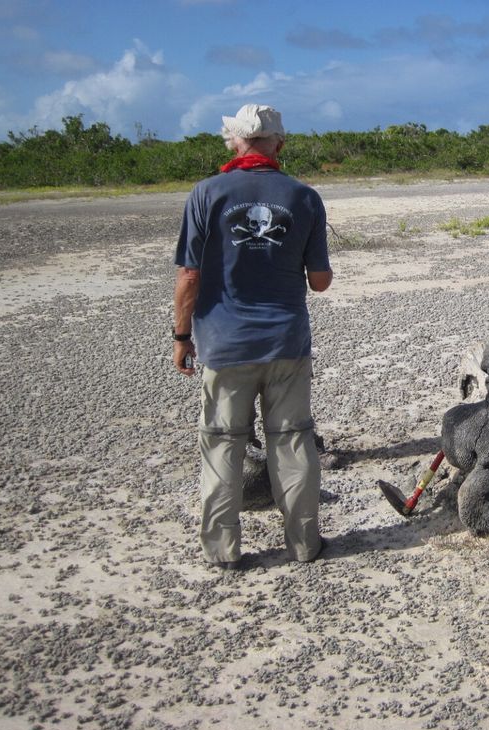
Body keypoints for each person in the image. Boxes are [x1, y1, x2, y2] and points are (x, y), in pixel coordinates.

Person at [173, 103, 332, 569]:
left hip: (224, 344)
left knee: (223, 443)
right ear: (279, 144)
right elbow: (319, 281)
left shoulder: (206, 194)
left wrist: (182, 336)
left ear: (233, 141)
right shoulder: (304, 197)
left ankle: (222, 551)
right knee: (293, 440)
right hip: (286, 342)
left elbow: (188, 276)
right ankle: (304, 545)